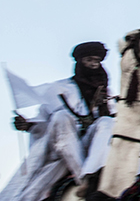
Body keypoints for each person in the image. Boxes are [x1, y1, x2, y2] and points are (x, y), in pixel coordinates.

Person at [0, 42, 116, 201]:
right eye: (89, 60)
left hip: (91, 143)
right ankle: (84, 178)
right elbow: (45, 122)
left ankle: (93, 171)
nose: (93, 64)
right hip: (63, 145)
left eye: (97, 61)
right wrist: (28, 125)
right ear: (80, 61)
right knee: (61, 117)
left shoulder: (108, 94)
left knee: (107, 122)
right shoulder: (59, 88)